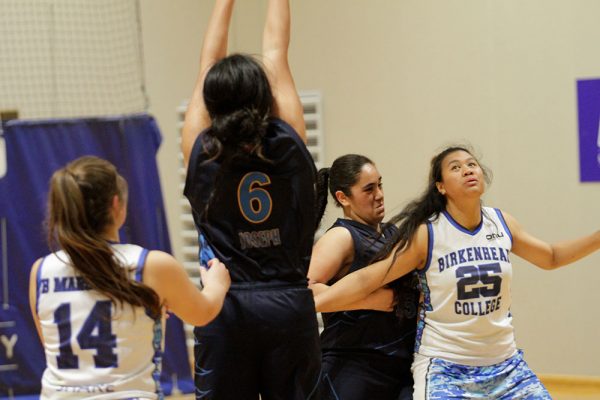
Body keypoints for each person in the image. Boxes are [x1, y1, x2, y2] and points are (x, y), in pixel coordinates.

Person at [313, 146, 600, 399]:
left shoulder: (501, 223)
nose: (467, 170)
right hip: (440, 368)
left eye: (471, 164)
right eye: (456, 167)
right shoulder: (426, 233)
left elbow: (550, 256)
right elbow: (365, 279)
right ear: (440, 186)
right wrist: (305, 300)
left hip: (503, 364)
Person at [181, 0, 321, 398]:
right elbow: (276, 51)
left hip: (226, 304)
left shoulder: (200, 148)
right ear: (264, 95)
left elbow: (208, 63)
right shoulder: (289, 139)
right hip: (289, 304)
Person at [28, 156, 230, 399]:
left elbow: (56, 343)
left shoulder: (40, 270)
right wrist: (216, 284)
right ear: (116, 205)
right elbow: (203, 313)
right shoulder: (152, 265)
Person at [308, 154, 418, 400]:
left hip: (400, 366)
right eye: (368, 189)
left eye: (380, 184)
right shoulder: (342, 237)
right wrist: (372, 300)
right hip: (354, 367)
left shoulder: (393, 232)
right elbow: (303, 293)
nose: (379, 194)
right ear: (343, 197)